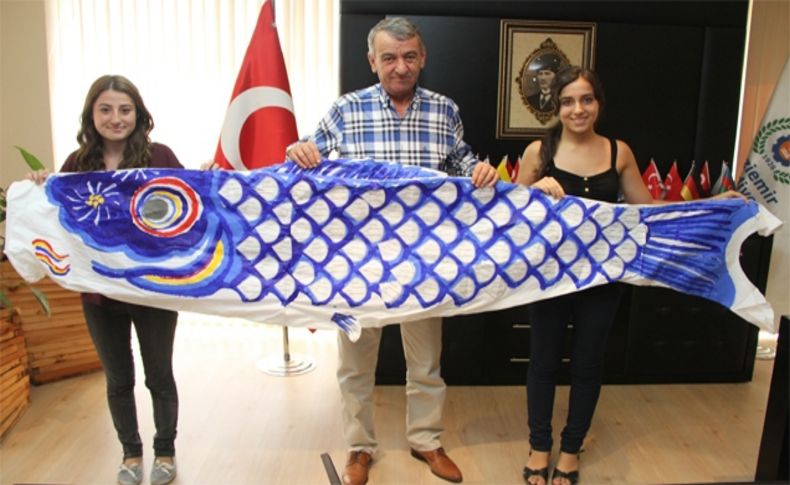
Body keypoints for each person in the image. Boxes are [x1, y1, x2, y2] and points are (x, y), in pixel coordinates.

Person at [287, 16, 498, 485]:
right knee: (355, 365)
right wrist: (298, 150)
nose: (400, 67)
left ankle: (426, 440)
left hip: (425, 259)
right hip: (358, 260)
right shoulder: (347, 110)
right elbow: (307, 153)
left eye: (408, 57)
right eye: (389, 58)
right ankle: (359, 447)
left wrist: (479, 170)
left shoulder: (444, 110)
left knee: (425, 361)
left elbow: (461, 162)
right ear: (372, 61)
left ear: (422, 58)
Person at [515, 66, 743, 485]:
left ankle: (570, 451)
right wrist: (533, 191)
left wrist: (711, 205)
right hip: (549, 278)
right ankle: (539, 447)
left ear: (598, 103)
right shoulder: (537, 152)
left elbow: (647, 208)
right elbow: (509, 212)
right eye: (568, 101)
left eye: (586, 99)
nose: (577, 109)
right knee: (543, 363)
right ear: (557, 108)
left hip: (604, 279)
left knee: (588, 364)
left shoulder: (618, 152)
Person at [26, 75, 182, 485]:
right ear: (91, 115)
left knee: (159, 375)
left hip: (153, 290)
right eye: (106, 109)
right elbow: (56, 215)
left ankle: (165, 451)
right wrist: (41, 187)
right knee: (118, 379)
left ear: (139, 114)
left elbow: (191, 205)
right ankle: (131, 454)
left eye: (125, 110)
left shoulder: (160, 156)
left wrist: (209, 175)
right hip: (99, 295)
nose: (116, 118)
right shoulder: (77, 165)